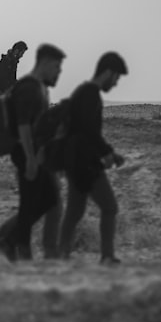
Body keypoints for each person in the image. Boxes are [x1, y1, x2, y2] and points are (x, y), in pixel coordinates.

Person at [0, 44, 67, 262]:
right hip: (26, 153)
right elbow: (24, 126)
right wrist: (31, 158)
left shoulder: (39, 88)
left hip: (35, 153)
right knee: (36, 203)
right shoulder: (29, 88)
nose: (58, 72)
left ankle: (9, 243)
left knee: (43, 201)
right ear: (44, 63)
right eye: (56, 67)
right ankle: (17, 248)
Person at [58, 52, 129, 265]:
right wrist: (108, 152)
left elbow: (81, 130)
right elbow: (88, 131)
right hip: (85, 163)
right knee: (110, 207)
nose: (116, 83)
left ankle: (62, 255)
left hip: (76, 161)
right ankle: (106, 256)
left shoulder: (84, 92)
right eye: (116, 78)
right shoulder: (90, 93)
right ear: (107, 72)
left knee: (74, 210)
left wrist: (107, 153)